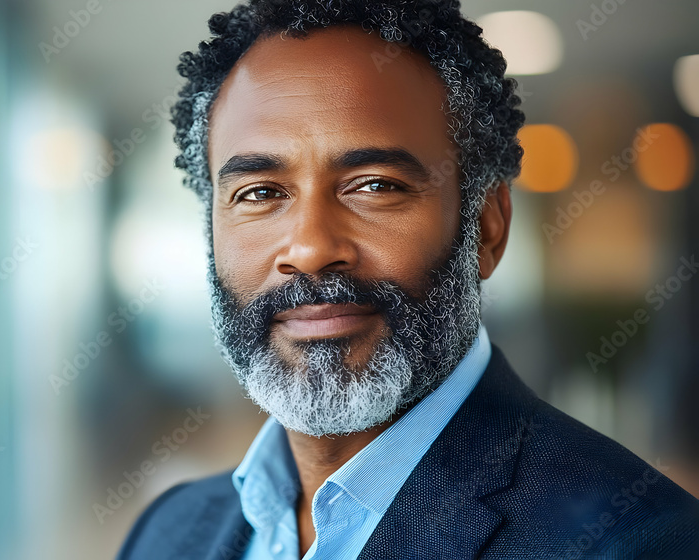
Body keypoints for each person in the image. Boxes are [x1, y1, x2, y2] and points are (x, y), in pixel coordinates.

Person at [117, 1, 699, 558]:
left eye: (375, 185)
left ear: (487, 228)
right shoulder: (167, 532)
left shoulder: (634, 540)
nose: (312, 249)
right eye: (260, 193)